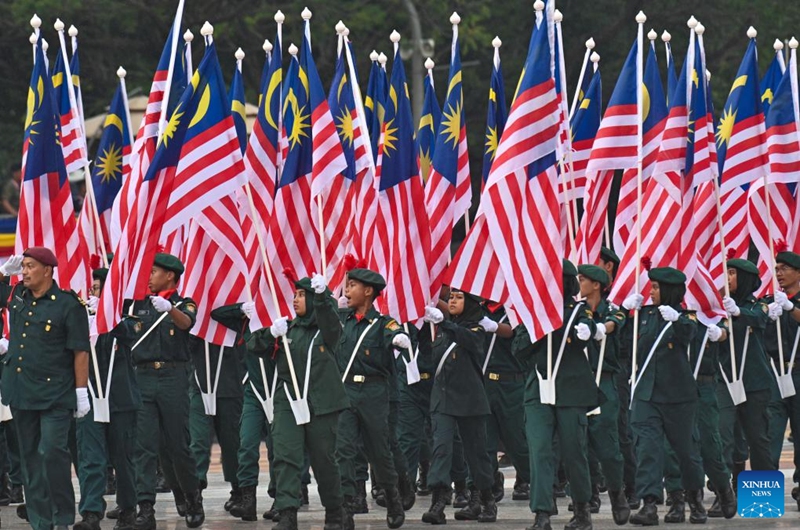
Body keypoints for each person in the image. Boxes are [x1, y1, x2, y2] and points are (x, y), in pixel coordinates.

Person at [248, 274, 351, 530]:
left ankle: (335, 512)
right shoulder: (287, 330)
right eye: (294, 295)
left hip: (322, 403)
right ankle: (287, 513)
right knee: (285, 456)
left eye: (301, 295)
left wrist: (321, 296)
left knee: (324, 460)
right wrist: (271, 333)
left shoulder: (328, 329)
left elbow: (331, 322)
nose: (295, 300)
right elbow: (253, 346)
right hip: (289, 402)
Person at [0, 248, 91, 530]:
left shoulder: (67, 305)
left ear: (48, 270)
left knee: (52, 452)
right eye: (23, 266)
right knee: (29, 459)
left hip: (56, 395)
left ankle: (62, 517)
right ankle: (41, 521)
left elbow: (80, 351)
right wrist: (4, 274)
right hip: (22, 392)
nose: (24, 272)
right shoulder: (17, 299)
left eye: (30, 267)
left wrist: (80, 391)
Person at [112, 253, 204, 530]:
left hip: (173, 377)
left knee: (178, 445)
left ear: (170, 276)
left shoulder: (182, 303)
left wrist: (169, 309)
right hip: (142, 377)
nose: (149, 277)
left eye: (154, 272)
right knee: (144, 447)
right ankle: (146, 508)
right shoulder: (137, 305)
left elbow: (186, 323)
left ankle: (192, 497)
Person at [513, 259, 600, 530]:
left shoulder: (578, 311)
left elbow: (586, 336)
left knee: (574, 451)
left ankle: (583, 509)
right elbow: (518, 348)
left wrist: (585, 331)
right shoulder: (533, 313)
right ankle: (542, 512)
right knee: (539, 451)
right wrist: (538, 328)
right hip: (538, 389)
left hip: (571, 390)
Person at [625, 266, 706, 526]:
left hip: (678, 396)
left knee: (685, 452)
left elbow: (690, 335)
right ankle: (649, 504)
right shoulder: (644, 315)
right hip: (647, 395)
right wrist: (627, 315)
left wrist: (677, 320)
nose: (651, 292)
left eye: (657, 287)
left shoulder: (686, 317)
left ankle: (693, 499)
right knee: (647, 449)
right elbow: (628, 346)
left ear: (671, 290)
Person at [335, 266, 410, 529]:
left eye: (353, 285)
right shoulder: (342, 319)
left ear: (368, 292)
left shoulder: (382, 323)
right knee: (343, 450)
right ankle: (345, 506)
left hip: (374, 393)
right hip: (345, 392)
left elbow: (395, 332)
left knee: (379, 452)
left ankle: (392, 496)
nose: (347, 290)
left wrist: (400, 338)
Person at [419, 289, 497, 524]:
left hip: (470, 400)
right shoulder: (442, 331)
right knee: (441, 448)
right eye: (450, 297)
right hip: (443, 398)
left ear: (471, 303)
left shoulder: (477, 329)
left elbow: (469, 340)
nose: (452, 300)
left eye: (458, 297)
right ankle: (439, 501)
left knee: (476, 454)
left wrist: (446, 324)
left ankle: (484, 499)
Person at [75, 267, 141, 530]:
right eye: (91, 289)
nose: (93, 293)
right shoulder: (81, 317)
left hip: (120, 398)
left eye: (98, 288)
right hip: (89, 395)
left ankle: (127, 509)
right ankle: (91, 512)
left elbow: (133, 332)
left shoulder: (126, 314)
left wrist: (107, 315)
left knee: (122, 457)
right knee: (90, 457)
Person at [211, 302, 278, 522]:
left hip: (279, 387)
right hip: (253, 390)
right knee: (247, 444)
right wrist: (242, 308)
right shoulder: (246, 319)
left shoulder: (281, 311)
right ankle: (248, 500)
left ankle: (281, 499)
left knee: (278, 447)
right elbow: (216, 314)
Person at [576, 264, 630, 525]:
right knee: (578, 444)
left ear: (597, 284)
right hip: (578, 381)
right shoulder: (577, 311)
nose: (579, 283)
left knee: (608, 444)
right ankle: (585, 502)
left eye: (583, 279)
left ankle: (618, 493)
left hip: (605, 381)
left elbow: (615, 323)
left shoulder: (612, 310)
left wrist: (599, 329)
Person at [717, 257, 777, 473]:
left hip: (754, 381)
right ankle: (725, 494)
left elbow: (760, 318)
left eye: (732, 273)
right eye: (727, 273)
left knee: (758, 438)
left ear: (744, 279)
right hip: (725, 379)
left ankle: (763, 499)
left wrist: (738, 312)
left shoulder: (758, 305)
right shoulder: (722, 307)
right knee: (724, 436)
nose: (728, 278)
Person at [479, 301, 531, 503]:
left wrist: (493, 326)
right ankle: (491, 482)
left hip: (512, 382)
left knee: (517, 440)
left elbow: (513, 331)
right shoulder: (479, 309)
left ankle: (528, 479)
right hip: (485, 380)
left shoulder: (515, 308)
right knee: (485, 440)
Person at [187, 332, 244, 510]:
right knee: (198, 440)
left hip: (230, 381)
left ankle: (238, 490)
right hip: (200, 382)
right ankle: (195, 493)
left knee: (232, 441)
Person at [764, 249, 800, 505]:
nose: (779, 273)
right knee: (767, 435)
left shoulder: (790, 303)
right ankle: (762, 499)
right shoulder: (771, 300)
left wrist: (791, 308)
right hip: (774, 372)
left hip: (799, 372)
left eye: (785, 269)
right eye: (777, 269)